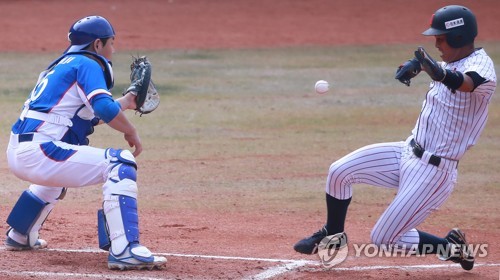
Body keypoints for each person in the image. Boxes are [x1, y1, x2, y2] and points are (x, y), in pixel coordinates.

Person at [293, 5, 496, 271]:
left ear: (458, 37)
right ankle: (333, 236)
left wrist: (435, 71)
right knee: (339, 171)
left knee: (384, 238)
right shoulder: (453, 61)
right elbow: (444, 69)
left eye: (440, 37)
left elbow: (465, 82)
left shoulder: (482, 68)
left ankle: (451, 247)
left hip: (434, 172)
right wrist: (416, 65)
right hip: (407, 152)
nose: (435, 43)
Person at [4, 15, 167, 270]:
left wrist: (127, 101)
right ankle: (125, 249)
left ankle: (21, 233)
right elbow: (102, 108)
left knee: (54, 178)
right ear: (98, 45)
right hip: (40, 150)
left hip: (21, 150)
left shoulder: (60, 66)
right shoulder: (88, 63)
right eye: (111, 43)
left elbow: (83, 118)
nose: (113, 50)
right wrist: (131, 131)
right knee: (120, 162)